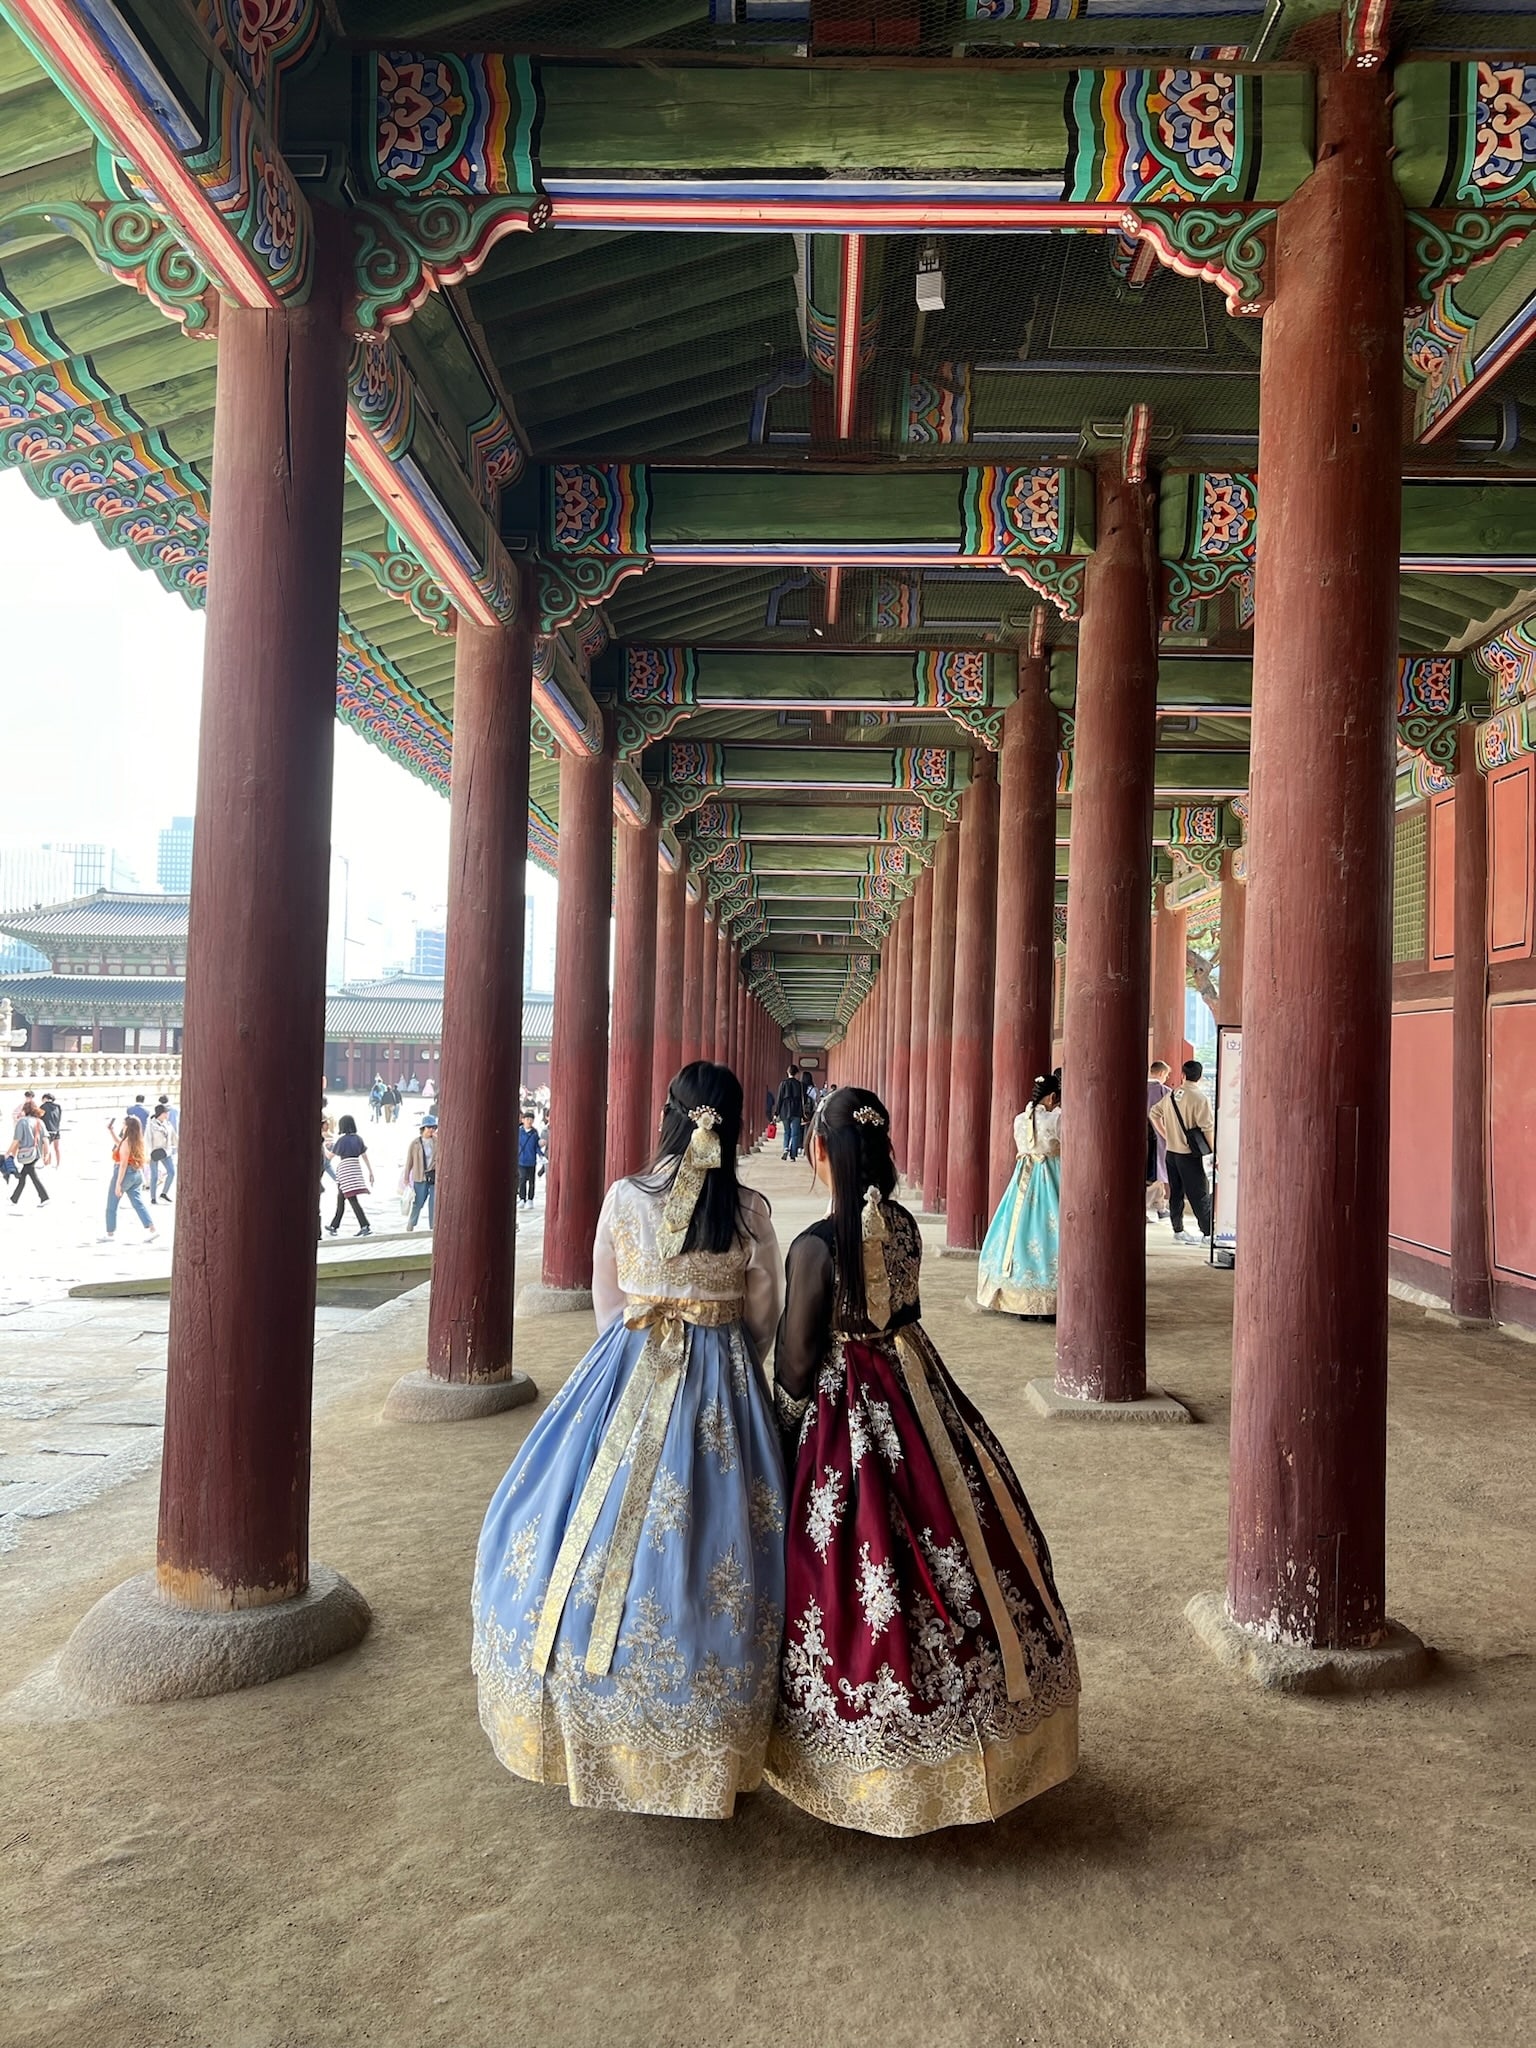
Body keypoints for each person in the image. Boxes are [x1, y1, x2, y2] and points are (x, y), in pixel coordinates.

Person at [472, 1060, 788, 1820]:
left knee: (587, 1520)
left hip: (628, 1364)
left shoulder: (624, 1196)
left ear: (670, 1115)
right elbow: (764, 1312)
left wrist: (623, 1362)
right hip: (721, 1378)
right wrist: (732, 1356)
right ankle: (711, 1732)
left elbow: (607, 1298)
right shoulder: (749, 1210)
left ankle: (587, 1702)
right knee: (722, 1543)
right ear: (733, 1123)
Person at [765, 1085, 1079, 1838]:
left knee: (859, 1562)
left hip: (847, 1407)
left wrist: (782, 1432)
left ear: (821, 1151)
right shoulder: (902, 1225)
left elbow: (798, 1359)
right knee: (961, 1533)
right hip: (916, 1386)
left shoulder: (815, 1246)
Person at [975, 1070, 1062, 1318]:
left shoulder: (1019, 1119)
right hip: (1051, 1177)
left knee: (1015, 1230)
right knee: (1051, 1230)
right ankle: (1049, 1300)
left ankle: (1015, 1295)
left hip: (1023, 1177)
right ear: (1052, 1097)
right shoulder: (1056, 1119)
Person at [1149, 1058, 1215, 1247]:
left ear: (1183, 1075)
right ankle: (1207, 1233)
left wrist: (1166, 1135)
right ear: (1200, 1077)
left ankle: (1178, 1230)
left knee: (1176, 1192)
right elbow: (1207, 1128)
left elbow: (1154, 1113)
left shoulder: (1171, 1095)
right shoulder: (1200, 1099)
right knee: (1199, 1193)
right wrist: (1214, 1152)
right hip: (1189, 1155)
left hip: (1171, 1153)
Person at [102, 1116, 155, 1242]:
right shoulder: (136, 1140)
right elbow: (119, 1144)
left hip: (125, 1173)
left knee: (112, 1204)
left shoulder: (126, 1142)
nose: (122, 1126)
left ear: (127, 1127)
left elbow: (123, 1164)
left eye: (124, 1124)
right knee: (138, 1203)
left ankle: (110, 1233)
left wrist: (118, 1183)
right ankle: (151, 1228)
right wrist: (111, 1132)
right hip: (136, 1173)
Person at [325, 1114, 373, 1236]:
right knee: (342, 1198)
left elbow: (329, 1157)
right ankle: (334, 1226)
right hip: (355, 1170)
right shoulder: (358, 1139)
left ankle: (365, 1225)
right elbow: (365, 1156)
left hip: (345, 1171)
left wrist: (323, 1147)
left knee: (351, 1199)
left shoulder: (342, 1140)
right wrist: (370, 1172)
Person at [6, 1100, 49, 1208]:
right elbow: (45, 1140)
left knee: (30, 1176)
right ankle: (14, 1199)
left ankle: (44, 1197)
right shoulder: (40, 1122)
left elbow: (16, 1140)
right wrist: (46, 1154)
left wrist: (8, 1152)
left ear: (25, 1110)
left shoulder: (22, 1122)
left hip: (27, 1153)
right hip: (36, 1153)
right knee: (25, 1175)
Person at [1146, 1060, 1171, 1223]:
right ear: (1161, 1073)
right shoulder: (1164, 1092)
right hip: (1159, 1138)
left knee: (1155, 1173)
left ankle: (1161, 1207)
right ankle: (1146, 1207)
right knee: (1156, 1174)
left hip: (1139, 1138)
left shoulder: (1137, 1089)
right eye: (1166, 1075)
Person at [404, 1114, 438, 1231]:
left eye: (434, 1127)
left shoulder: (437, 1142)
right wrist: (406, 1178)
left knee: (433, 1203)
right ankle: (411, 1224)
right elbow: (409, 1162)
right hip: (420, 1177)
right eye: (429, 1127)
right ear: (423, 1128)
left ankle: (433, 1227)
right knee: (418, 1202)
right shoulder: (415, 1143)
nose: (431, 1130)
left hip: (433, 1177)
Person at [774, 1065, 807, 1162]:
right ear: (797, 1073)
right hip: (796, 1111)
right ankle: (793, 1155)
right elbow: (803, 1100)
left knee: (787, 1131)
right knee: (795, 1133)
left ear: (788, 1072)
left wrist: (776, 1113)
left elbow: (779, 1099)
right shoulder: (800, 1085)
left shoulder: (783, 1084)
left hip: (785, 1110)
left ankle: (785, 1148)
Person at [147, 1101, 177, 1205]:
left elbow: (174, 1138)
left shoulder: (168, 1124)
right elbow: (147, 1139)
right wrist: (148, 1154)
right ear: (161, 1113)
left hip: (166, 1152)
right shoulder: (151, 1125)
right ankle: (153, 1197)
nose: (167, 1114)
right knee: (154, 1176)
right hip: (154, 1152)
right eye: (166, 1112)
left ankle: (164, 1193)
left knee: (172, 1172)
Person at [517, 1110, 544, 1207]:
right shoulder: (519, 1132)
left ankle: (530, 1199)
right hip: (521, 1160)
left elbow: (537, 1146)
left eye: (531, 1119)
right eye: (527, 1119)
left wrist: (541, 1154)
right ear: (523, 1120)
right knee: (522, 1179)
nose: (529, 1121)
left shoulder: (534, 1133)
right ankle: (522, 1198)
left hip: (531, 1160)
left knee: (532, 1181)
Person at [38, 1092, 62, 1167]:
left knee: (46, 1148)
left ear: (45, 1098)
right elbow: (59, 1118)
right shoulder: (58, 1106)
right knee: (57, 1148)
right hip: (56, 1129)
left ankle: (47, 1163)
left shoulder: (43, 1107)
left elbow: (39, 1118)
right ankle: (58, 1164)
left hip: (47, 1130)